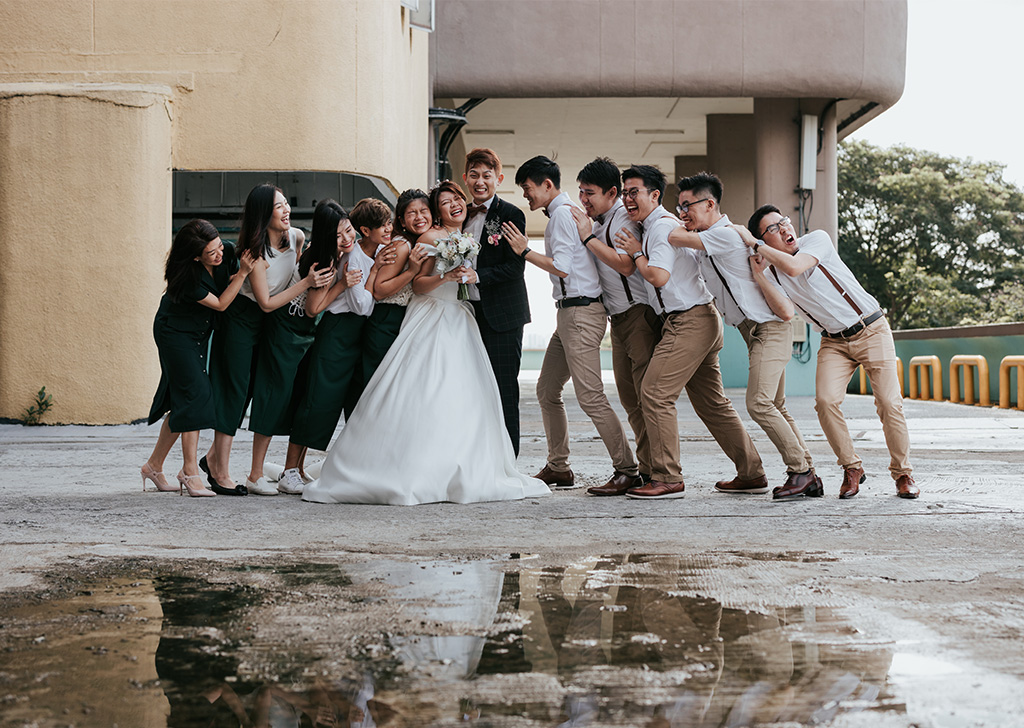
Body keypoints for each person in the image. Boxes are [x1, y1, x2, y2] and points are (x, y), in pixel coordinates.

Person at [301, 182, 549, 505]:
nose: (451, 206)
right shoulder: (427, 240)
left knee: (464, 396)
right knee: (422, 390)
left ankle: (458, 461)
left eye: (454, 200)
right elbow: (418, 285)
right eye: (442, 203)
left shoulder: (466, 237)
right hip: (432, 315)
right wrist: (445, 277)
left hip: (459, 318)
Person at [734, 206, 919, 499]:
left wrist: (754, 242)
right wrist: (760, 276)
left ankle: (903, 474)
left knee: (888, 403)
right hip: (834, 342)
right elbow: (785, 311)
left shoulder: (816, 241)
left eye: (783, 222)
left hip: (871, 328)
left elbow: (796, 266)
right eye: (773, 229)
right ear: (766, 241)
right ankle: (852, 468)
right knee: (825, 402)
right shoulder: (775, 273)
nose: (784, 229)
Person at [613, 164, 765, 499]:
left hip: (690, 321)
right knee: (712, 403)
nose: (627, 199)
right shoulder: (662, 226)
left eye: (633, 191)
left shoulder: (661, 228)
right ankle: (752, 472)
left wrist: (636, 251)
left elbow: (658, 276)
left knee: (654, 392)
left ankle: (667, 476)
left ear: (654, 195)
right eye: (624, 193)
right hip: (695, 318)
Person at [666, 172, 820, 501]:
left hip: (769, 328)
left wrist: (676, 224)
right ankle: (808, 474)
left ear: (710, 204)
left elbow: (675, 238)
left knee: (759, 404)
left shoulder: (722, 234)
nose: (683, 214)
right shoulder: (713, 240)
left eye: (687, 206)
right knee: (775, 404)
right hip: (752, 331)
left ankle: (801, 472)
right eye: (679, 207)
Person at [503, 155, 639, 493]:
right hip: (568, 313)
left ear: (547, 185)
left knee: (590, 396)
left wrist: (523, 251)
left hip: (581, 314)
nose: (526, 196)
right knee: (547, 390)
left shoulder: (562, 215)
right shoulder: (563, 215)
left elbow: (562, 266)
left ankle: (627, 469)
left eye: (528, 188)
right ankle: (559, 467)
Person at [204, 184, 332, 496]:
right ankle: (219, 471)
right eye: (279, 207)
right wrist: (307, 283)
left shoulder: (296, 237)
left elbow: (291, 276)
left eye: (287, 204)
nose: (287, 210)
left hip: (268, 326)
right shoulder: (255, 252)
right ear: (264, 214)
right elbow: (266, 302)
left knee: (248, 392)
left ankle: (211, 460)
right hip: (241, 319)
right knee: (234, 392)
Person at [274, 200, 381, 496]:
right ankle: (289, 471)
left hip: (354, 334)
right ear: (325, 236)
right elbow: (313, 308)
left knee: (338, 403)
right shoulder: (323, 260)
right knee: (317, 401)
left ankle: (299, 468)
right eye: (338, 235)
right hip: (334, 333)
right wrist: (342, 284)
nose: (347, 239)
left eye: (348, 230)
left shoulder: (350, 252)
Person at [568, 157, 662, 496]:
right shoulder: (601, 220)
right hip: (618, 320)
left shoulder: (621, 218)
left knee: (645, 398)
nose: (583, 200)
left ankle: (656, 472)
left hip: (638, 316)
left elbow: (626, 266)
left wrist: (587, 239)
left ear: (610, 193)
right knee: (630, 400)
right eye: (580, 193)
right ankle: (642, 469)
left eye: (589, 193)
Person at [141, 219, 254, 497]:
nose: (219, 254)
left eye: (218, 247)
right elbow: (220, 303)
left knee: (183, 400)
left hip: (196, 333)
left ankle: (153, 466)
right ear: (195, 256)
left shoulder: (225, 250)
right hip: (174, 334)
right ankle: (190, 473)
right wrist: (242, 274)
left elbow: (224, 278)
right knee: (196, 395)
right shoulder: (187, 276)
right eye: (210, 253)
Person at [461, 148, 531, 456]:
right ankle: (478, 457)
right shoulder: (459, 214)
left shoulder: (511, 214)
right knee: (471, 390)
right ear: (465, 179)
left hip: (503, 317)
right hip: (466, 315)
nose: (480, 182)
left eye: (486, 176)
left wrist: (478, 275)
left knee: (503, 389)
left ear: (498, 179)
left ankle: (507, 460)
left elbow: (516, 267)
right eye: (474, 175)